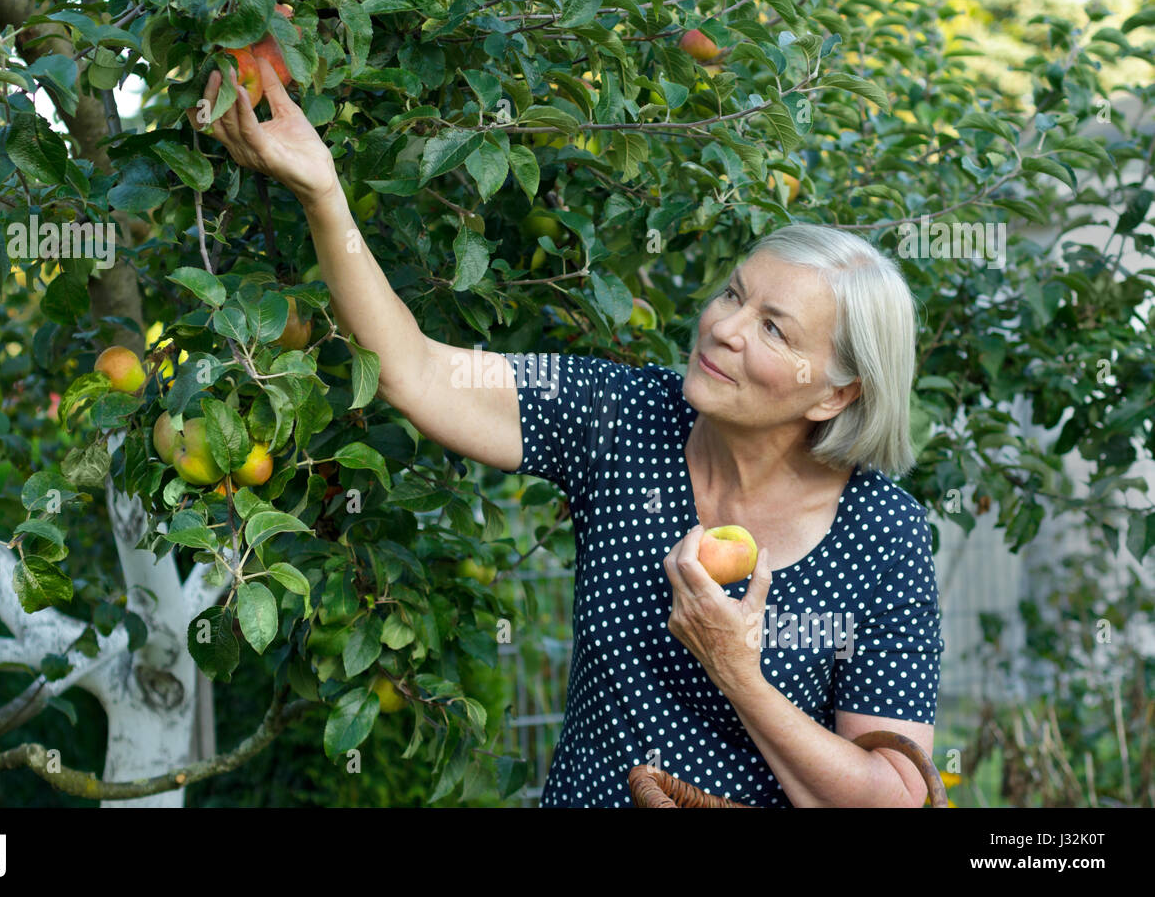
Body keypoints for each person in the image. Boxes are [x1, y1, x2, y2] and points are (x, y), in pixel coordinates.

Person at [187, 59, 945, 808]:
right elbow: (413, 370)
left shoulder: (883, 536)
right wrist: (323, 192)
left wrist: (738, 673)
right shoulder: (623, 418)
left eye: (773, 329)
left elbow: (892, 800)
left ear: (836, 393)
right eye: (732, 294)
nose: (723, 328)